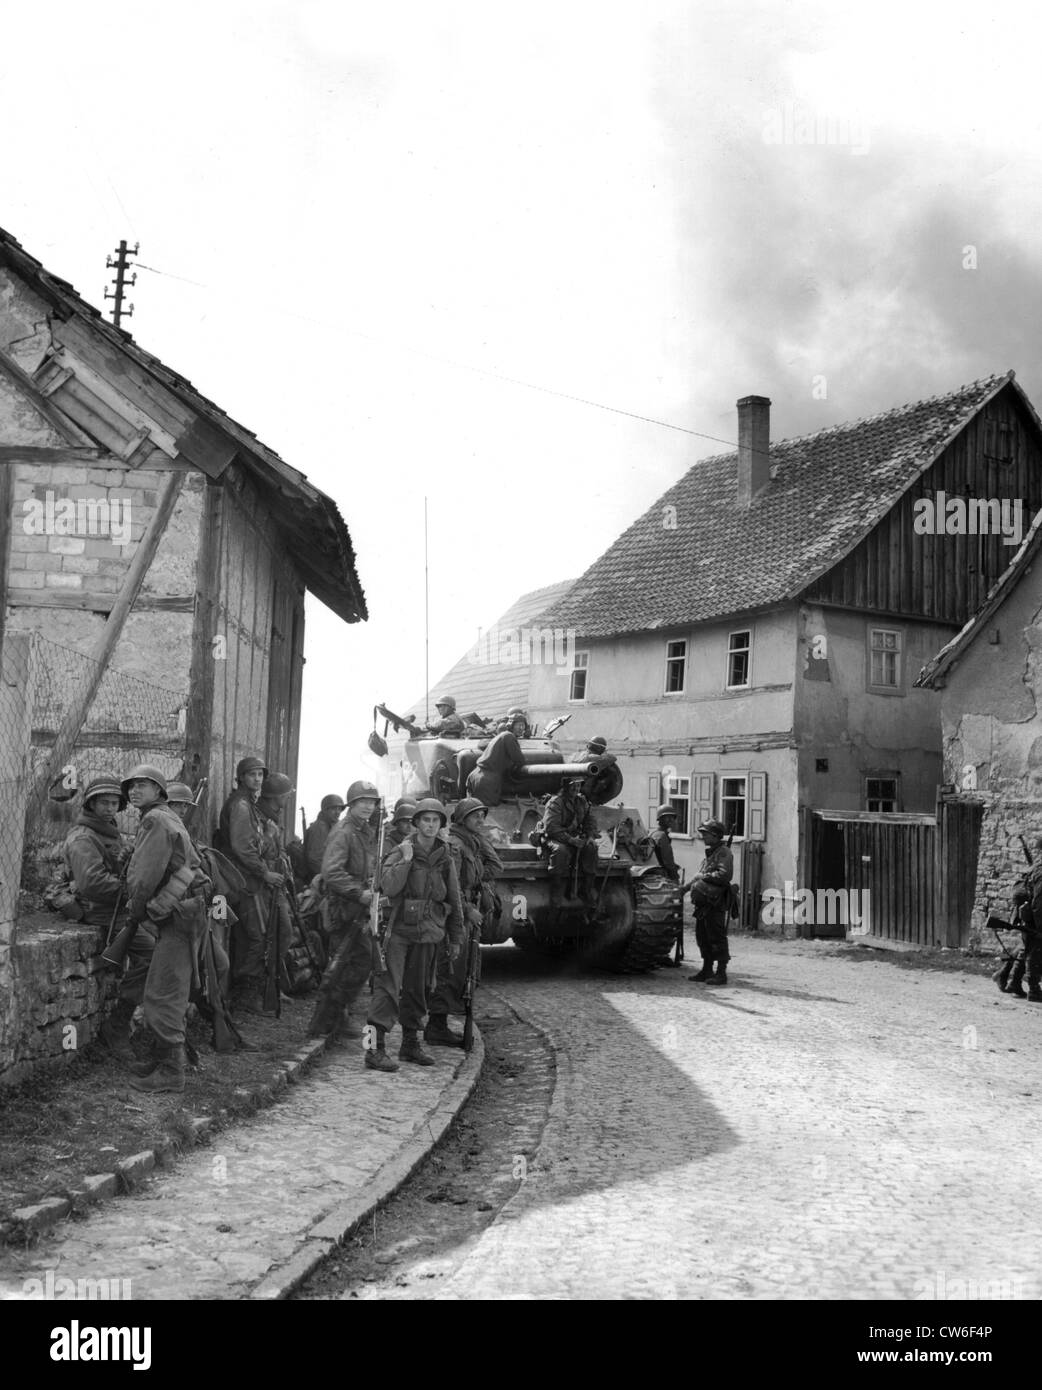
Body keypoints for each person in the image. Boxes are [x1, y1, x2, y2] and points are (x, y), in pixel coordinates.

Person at [121, 765, 211, 1093]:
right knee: (168, 986)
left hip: (178, 914)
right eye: (131, 786)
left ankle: (173, 1071)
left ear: (160, 792)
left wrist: (135, 910)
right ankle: (164, 1060)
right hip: (187, 910)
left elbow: (143, 876)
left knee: (163, 992)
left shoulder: (155, 820)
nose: (135, 791)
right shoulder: (167, 817)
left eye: (143, 785)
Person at [365, 798, 464, 1072]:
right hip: (398, 931)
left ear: (441, 824)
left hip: (429, 932)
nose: (430, 826)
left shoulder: (445, 857)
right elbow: (388, 886)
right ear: (417, 823)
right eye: (425, 820)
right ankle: (373, 1049)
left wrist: (455, 937)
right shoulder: (401, 850)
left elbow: (454, 898)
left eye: (435, 821)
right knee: (387, 989)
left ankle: (410, 1044)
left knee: (418, 990)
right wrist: (407, 861)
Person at [63, 772, 145, 1061]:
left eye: (115, 803)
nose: (111, 808)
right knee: (150, 954)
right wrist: (130, 890)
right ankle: (117, 1027)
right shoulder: (84, 837)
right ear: (91, 804)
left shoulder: (108, 831)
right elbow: (92, 884)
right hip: (100, 912)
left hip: (119, 909)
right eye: (104, 803)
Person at [307, 780, 381, 1041]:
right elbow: (332, 872)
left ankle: (335, 1017)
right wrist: (357, 892)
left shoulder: (364, 831)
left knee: (355, 963)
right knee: (344, 965)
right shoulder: (344, 831)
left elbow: (366, 866)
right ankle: (326, 1021)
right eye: (363, 802)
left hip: (357, 908)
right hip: (343, 908)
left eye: (372, 802)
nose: (368, 807)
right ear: (352, 804)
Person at [426, 797, 502, 1048]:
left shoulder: (473, 841)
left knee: (464, 969)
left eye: (482, 815)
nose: (480, 820)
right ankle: (436, 1026)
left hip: (466, 910)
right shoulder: (454, 845)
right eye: (475, 816)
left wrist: (477, 881)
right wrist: (468, 908)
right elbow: (452, 885)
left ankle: (442, 1023)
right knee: (449, 968)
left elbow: (495, 866)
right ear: (461, 819)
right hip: (454, 915)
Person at [218, 756, 284, 1012]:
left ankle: (246, 993)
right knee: (257, 936)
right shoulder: (241, 805)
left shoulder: (250, 804)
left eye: (260, 774)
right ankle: (245, 995)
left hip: (246, 879)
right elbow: (243, 848)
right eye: (252, 774)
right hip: (242, 880)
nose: (257, 779)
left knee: (252, 936)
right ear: (241, 777)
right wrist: (265, 872)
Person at [543, 775, 601, 917]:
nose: (576, 788)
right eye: (573, 785)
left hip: (574, 837)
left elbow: (590, 821)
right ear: (566, 786)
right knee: (560, 851)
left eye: (579, 785)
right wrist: (571, 840)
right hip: (555, 838)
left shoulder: (581, 801)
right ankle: (556, 894)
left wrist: (589, 837)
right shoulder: (555, 803)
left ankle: (586, 890)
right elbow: (551, 828)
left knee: (591, 848)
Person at [686, 819, 734, 986]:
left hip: (715, 902)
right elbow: (698, 876)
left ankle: (721, 973)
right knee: (703, 936)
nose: (703, 836)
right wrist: (683, 889)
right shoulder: (711, 853)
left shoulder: (723, 852)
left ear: (715, 835)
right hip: (704, 903)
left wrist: (704, 877)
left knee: (717, 937)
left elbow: (724, 876)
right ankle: (707, 969)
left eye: (706, 834)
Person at [467, 720, 529, 806]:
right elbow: (520, 760)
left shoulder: (500, 736)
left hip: (477, 776)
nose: (521, 728)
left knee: (474, 809)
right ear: (511, 725)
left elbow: (482, 745)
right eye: (519, 725)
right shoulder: (509, 736)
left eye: (523, 726)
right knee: (487, 813)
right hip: (487, 780)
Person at [304, 794, 345, 878]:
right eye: (333, 809)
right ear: (325, 810)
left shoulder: (333, 825)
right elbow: (314, 860)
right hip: (320, 879)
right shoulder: (319, 828)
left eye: (339, 809)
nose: (337, 812)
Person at [649, 804, 680, 882]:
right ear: (660, 819)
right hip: (661, 873)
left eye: (672, 817)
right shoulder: (662, 836)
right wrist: (675, 876)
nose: (671, 820)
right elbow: (668, 861)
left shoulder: (653, 833)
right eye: (667, 817)